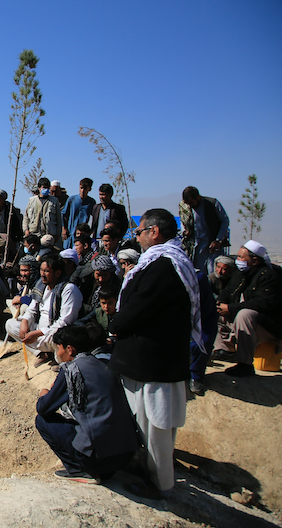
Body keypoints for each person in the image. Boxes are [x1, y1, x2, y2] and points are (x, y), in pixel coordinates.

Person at [109, 209, 200, 500]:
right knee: (145, 425)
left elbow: (139, 307)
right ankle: (148, 472)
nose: (137, 238)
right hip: (150, 361)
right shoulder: (162, 263)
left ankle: (160, 484)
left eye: (139, 232)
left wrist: (116, 325)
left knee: (156, 429)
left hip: (155, 363)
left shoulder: (164, 266)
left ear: (154, 232)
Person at [35, 325, 138, 484]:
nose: (58, 353)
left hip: (99, 459)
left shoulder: (71, 369)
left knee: (42, 421)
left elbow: (44, 409)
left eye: (59, 348)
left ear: (70, 349)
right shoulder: (103, 364)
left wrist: (43, 395)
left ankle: (79, 470)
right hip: (126, 454)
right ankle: (101, 469)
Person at [213, 240, 282, 377]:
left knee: (245, 314)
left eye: (241, 257)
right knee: (217, 310)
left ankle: (245, 365)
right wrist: (221, 302)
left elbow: (261, 303)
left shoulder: (269, 276)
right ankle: (226, 351)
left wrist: (231, 308)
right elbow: (227, 291)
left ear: (254, 260)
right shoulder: (240, 274)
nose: (238, 260)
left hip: (267, 326)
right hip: (245, 322)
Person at [6, 253, 82, 369]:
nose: (42, 274)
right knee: (11, 324)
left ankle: (61, 361)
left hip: (54, 333)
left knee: (59, 338)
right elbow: (32, 308)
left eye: (46, 271)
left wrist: (37, 334)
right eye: (41, 270)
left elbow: (64, 322)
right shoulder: (43, 286)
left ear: (58, 273)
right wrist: (25, 322)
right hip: (40, 333)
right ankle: (43, 353)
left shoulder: (68, 289)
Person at [179, 186, 230, 275]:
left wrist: (218, 240)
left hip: (213, 247)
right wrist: (185, 231)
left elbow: (224, 221)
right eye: (188, 203)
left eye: (192, 202)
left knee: (213, 273)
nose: (190, 206)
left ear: (198, 197)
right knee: (198, 274)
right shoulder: (185, 207)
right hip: (196, 248)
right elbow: (183, 221)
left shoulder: (212, 203)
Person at [62, 178, 95, 250]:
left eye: (85, 188)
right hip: (70, 233)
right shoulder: (72, 200)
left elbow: (95, 217)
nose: (82, 190)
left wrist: (91, 230)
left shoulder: (91, 202)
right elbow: (63, 214)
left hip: (82, 234)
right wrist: (64, 228)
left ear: (89, 189)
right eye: (81, 188)